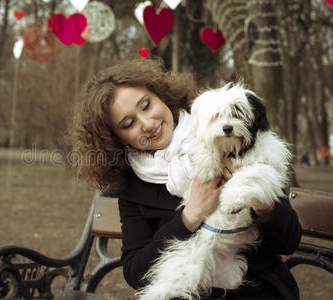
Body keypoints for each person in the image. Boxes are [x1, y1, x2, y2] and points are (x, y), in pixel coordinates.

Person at [67, 58, 301, 300]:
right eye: (129, 123)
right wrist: (190, 216)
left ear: (161, 96)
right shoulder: (133, 184)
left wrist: (263, 203)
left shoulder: (233, 135)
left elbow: (289, 240)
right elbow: (136, 273)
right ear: (116, 138)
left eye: (146, 105)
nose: (147, 124)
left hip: (255, 291)